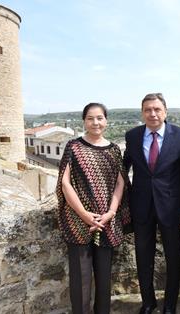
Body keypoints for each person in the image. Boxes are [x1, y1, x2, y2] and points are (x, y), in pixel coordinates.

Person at [123, 93, 180, 314]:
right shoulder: (132, 135)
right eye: (147, 110)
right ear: (142, 112)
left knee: (173, 258)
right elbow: (123, 171)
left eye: (157, 109)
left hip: (171, 207)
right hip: (141, 206)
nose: (152, 114)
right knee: (143, 257)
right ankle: (148, 303)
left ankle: (170, 305)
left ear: (165, 111)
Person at [56, 103, 130, 314]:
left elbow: (120, 184)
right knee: (81, 281)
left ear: (106, 121)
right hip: (78, 222)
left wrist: (111, 213)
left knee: (104, 280)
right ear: (84, 121)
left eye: (99, 118)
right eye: (90, 118)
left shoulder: (114, 150)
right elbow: (65, 183)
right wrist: (84, 214)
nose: (95, 123)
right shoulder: (74, 147)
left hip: (107, 222)